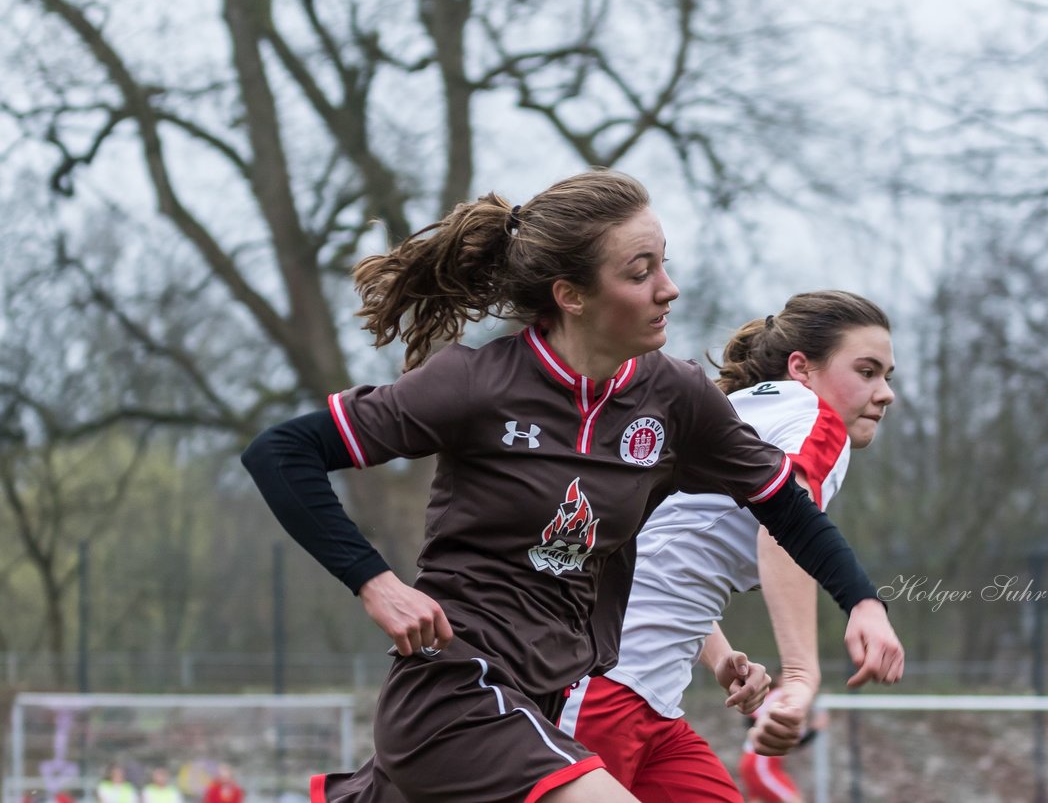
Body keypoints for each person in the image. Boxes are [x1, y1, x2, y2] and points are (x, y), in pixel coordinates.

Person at [241, 169, 901, 803]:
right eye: (640, 272)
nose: (668, 289)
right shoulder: (475, 384)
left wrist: (863, 603)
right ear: (572, 295)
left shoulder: (675, 397)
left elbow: (784, 508)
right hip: (456, 692)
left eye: (665, 264)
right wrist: (376, 583)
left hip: (546, 699)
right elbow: (282, 452)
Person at [560, 291, 901, 799]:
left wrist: (717, 654)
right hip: (605, 690)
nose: (885, 393)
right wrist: (802, 676)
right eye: (867, 371)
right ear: (801, 368)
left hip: (648, 699)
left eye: (887, 377)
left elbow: (662, 546)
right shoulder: (815, 418)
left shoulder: (733, 411)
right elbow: (784, 530)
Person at [738, 685, 828, 803]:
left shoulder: (779, 697)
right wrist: (814, 730)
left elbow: (791, 740)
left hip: (755, 761)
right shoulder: (783, 695)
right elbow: (794, 740)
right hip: (762, 764)